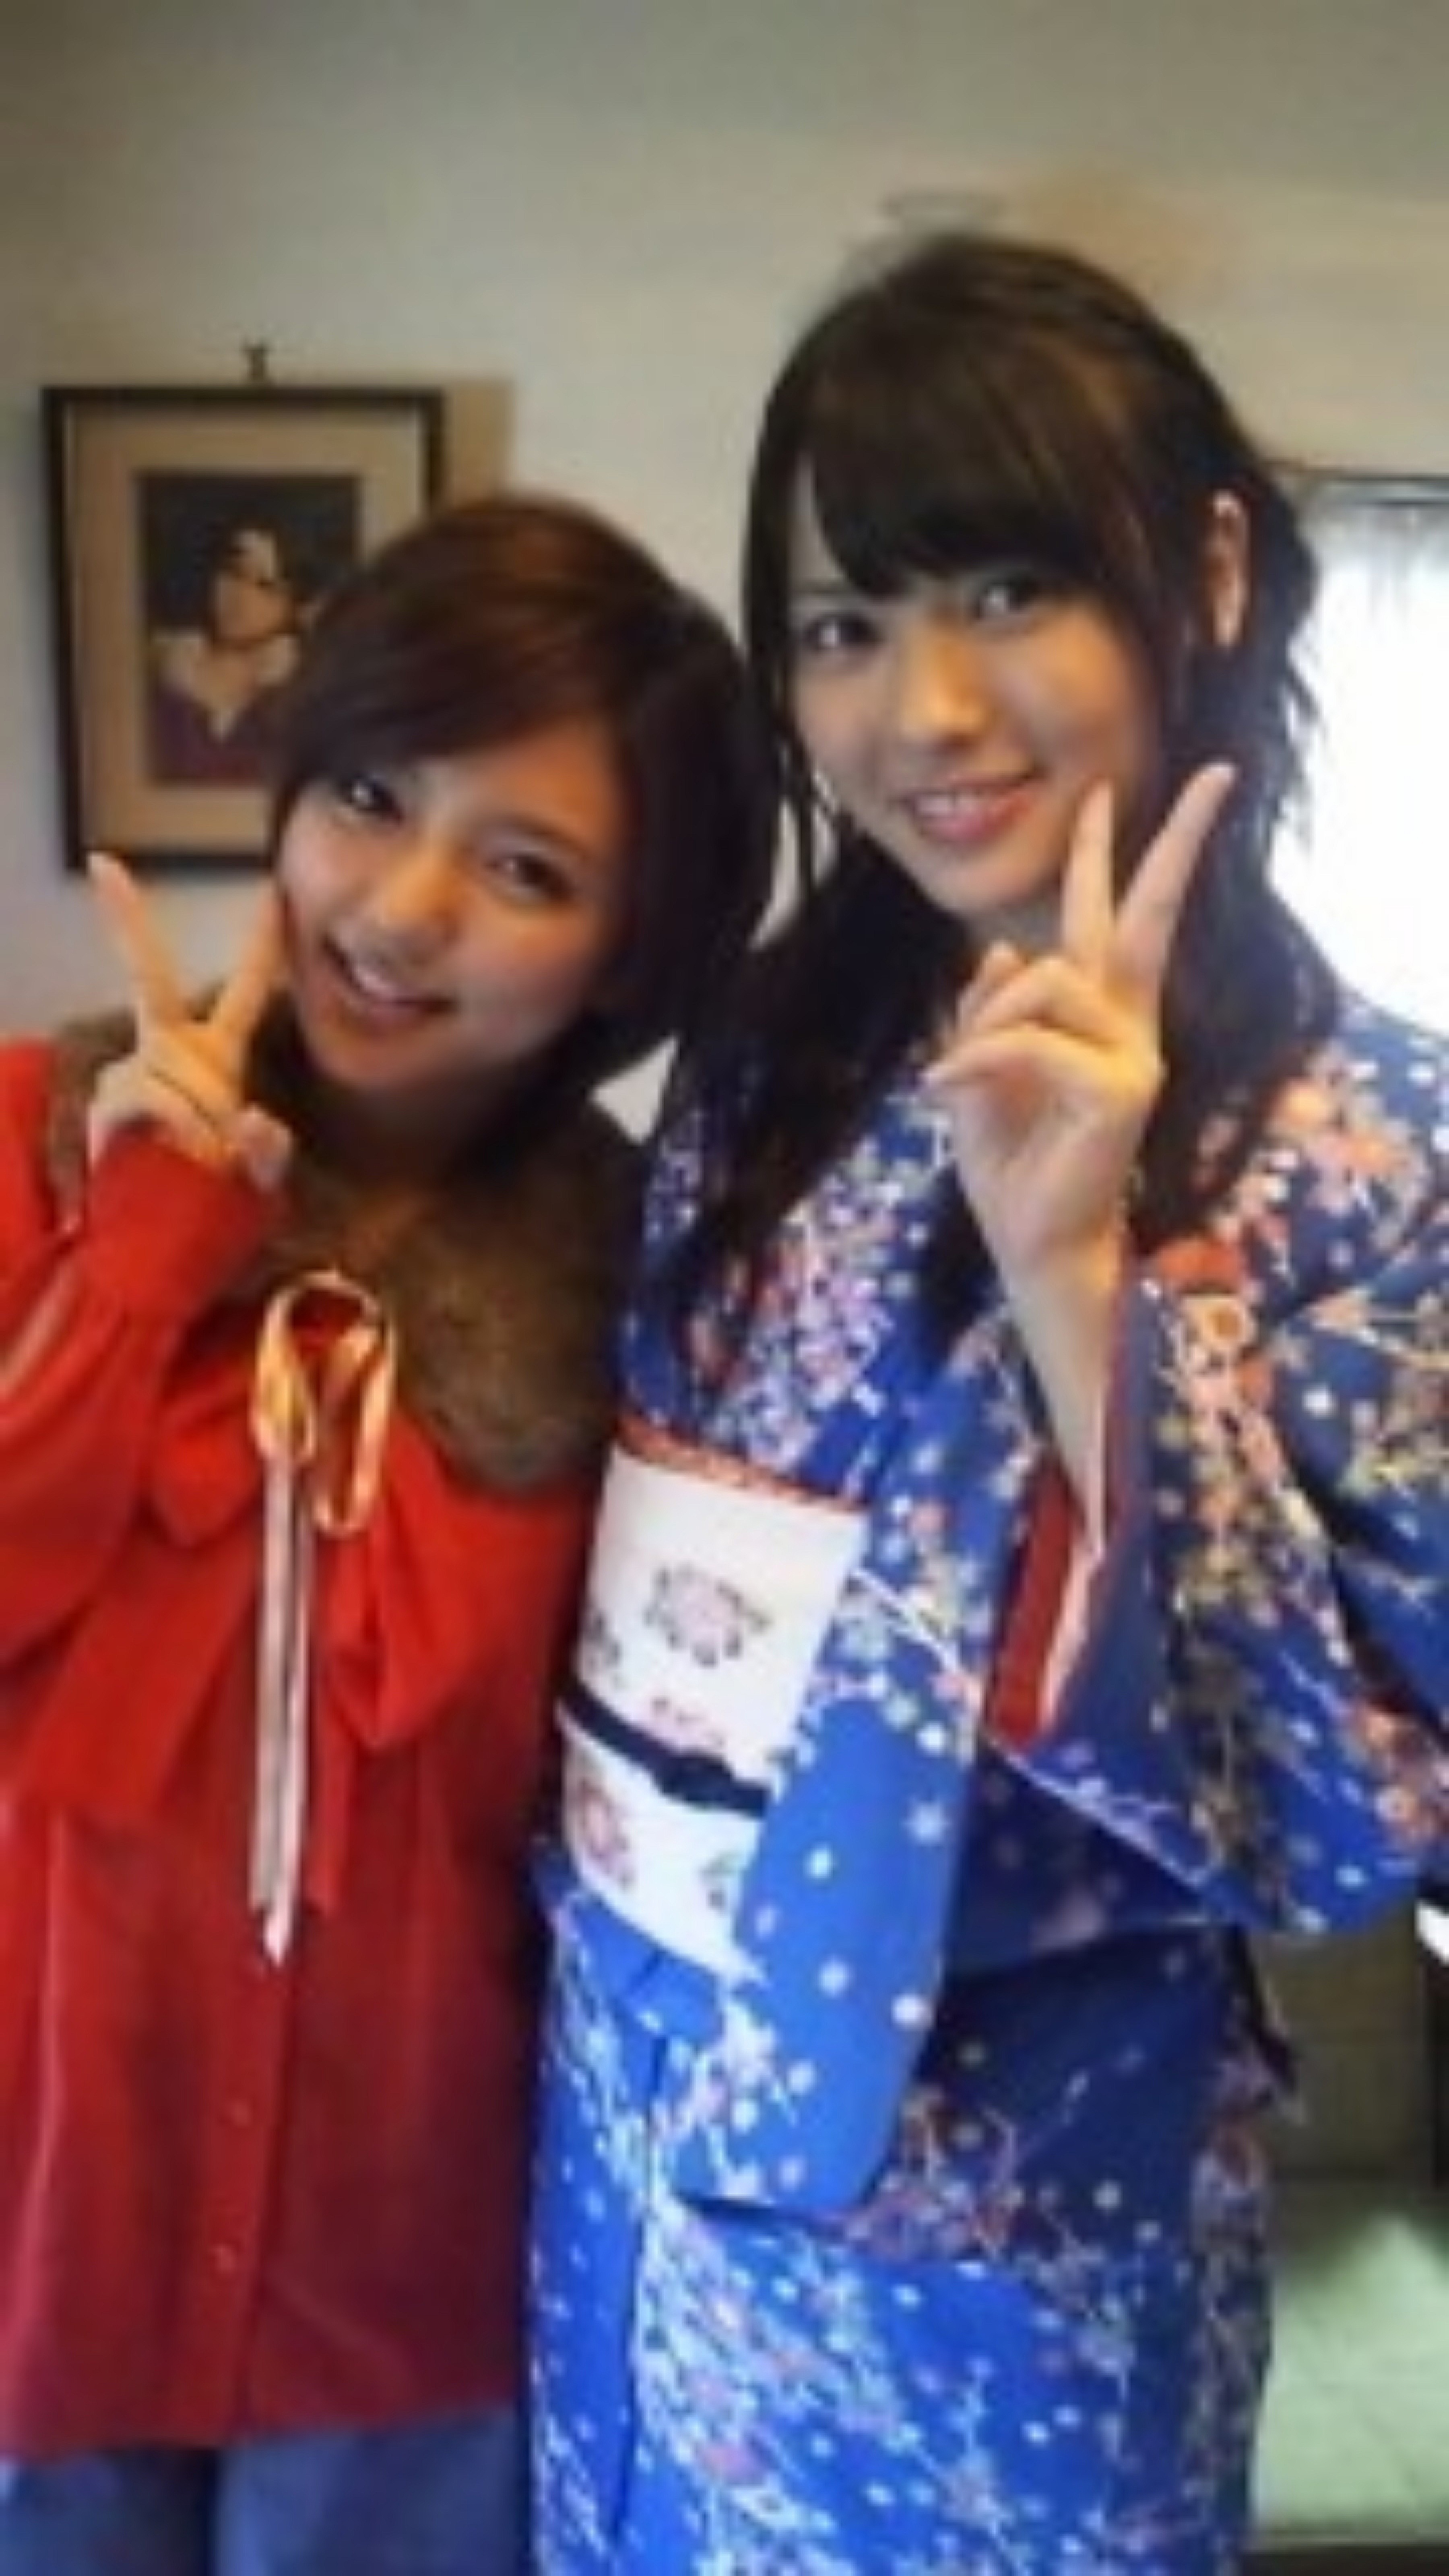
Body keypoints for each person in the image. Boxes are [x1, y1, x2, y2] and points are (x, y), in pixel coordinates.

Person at [531, 233, 1448, 2573]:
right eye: (843, 623)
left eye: (1009, 588)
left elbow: (1346, 1798)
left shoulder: (1372, 1144)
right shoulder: (767, 1059)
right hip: (638, 2108)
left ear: (1210, 571)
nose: (922, 708)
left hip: (1012, 2203)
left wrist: (1080, 1280)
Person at [0, 490, 772, 2574]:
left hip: (413, 2281)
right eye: (368, 796)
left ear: (628, 951)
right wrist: (140, 1267)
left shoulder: (655, 1294)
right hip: (48, 2228)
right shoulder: (30, 1143)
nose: (400, 909)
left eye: (524, 870)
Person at [150, 523, 311, 785]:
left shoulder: (298, 695)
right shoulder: (162, 672)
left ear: (293, 605)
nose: (240, 596)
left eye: (265, 585)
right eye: (234, 573)